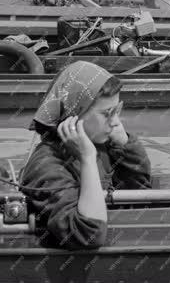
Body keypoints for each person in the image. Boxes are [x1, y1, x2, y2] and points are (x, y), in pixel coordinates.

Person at [20, 61, 152, 249]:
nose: (116, 122)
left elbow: (140, 193)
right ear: (74, 116)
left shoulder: (100, 146)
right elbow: (89, 235)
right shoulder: (46, 166)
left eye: (117, 111)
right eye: (107, 113)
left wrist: (125, 144)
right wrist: (88, 159)